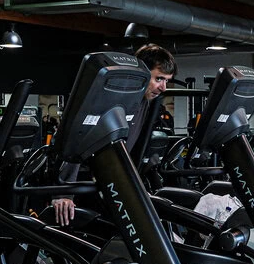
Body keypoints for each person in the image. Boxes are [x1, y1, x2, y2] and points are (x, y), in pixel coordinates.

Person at [51, 43, 176, 226]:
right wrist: (64, 193)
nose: (163, 87)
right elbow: (76, 138)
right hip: (85, 182)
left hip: (112, 180)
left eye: (166, 80)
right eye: (159, 79)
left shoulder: (143, 103)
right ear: (142, 74)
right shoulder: (113, 99)